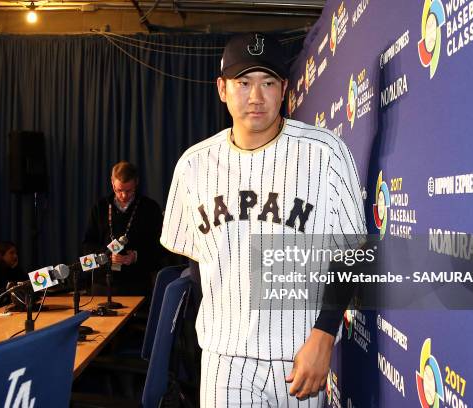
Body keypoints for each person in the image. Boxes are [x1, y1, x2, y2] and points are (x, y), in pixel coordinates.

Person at [160, 33, 367, 407]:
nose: (256, 97)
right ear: (222, 88)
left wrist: (323, 337)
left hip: (299, 354)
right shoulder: (193, 165)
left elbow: (351, 254)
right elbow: (194, 261)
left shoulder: (326, 154)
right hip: (225, 360)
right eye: (243, 82)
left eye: (268, 82)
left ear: (284, 88)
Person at [82, 161, 164, 296]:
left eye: (129, 191)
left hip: (136, 284)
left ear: (136, 183)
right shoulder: (100, 207)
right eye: (119, 190)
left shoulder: (150, 208)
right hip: (102, 284)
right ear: (112, 183)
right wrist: (108, 256)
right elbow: (87, 246)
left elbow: (160, 248)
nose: (124, 196)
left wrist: (136, 256)